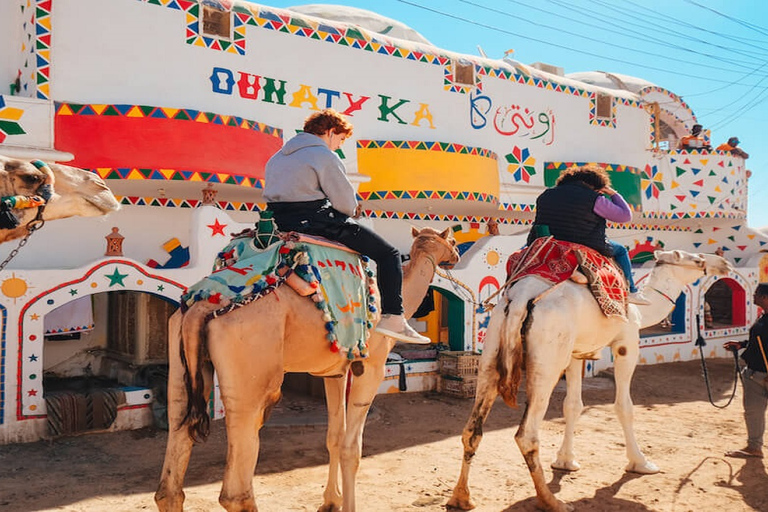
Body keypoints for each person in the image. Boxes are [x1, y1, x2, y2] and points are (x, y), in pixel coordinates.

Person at [263, 108, 431, 344]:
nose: (339, 146)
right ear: (331, 131)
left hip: (277, 223)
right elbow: (346, 205)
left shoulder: (277, 157)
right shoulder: (324, 156)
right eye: (340, 139)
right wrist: (348, 208)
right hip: (316, 222)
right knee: (388, 254)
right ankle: (393, 318)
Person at [527, 165, 651, 305]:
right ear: (595, 185)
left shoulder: (546, 195)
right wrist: (612, 193)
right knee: (621, 250)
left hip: (546, 244)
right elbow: (625, 216)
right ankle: (632, 292)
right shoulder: (594, 198)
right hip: (583, 243)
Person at [723, 283, 768, 459]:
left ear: (765, 297)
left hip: (762, 375)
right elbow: (760, 341)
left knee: (753, 411)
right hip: (755, 374)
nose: (753, 297)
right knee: (753, 412)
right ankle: (754, 447)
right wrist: (741, 344)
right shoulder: (763, 317)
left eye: (756, 294)